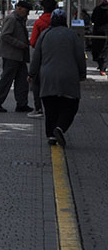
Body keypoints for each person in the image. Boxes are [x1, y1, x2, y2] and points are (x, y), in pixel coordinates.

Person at [29, 9, 86, 147]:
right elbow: (80, 56)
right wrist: (82, 74)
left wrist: (32, 74)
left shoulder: (44, 35)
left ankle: (51, 135)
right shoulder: (73, 35)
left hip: (47, 76)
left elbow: (36, 57)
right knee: (70, 105)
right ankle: (60, 128)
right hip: (69, 76)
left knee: (50, 107)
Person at [0, 0, 33, 113]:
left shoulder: (20, 19)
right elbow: (5, 35)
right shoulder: (12, 19)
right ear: (19, 8)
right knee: (6, 80)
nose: (27, 14)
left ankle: (22, 104)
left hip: (19, 56)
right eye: (26, 11)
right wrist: (20, 44)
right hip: (11, 55)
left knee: (22, 80)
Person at [27, 0, 57, 118]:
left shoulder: (39, 23)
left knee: (37, 82)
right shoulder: (58, 21)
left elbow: (33, 42)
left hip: (42, 56)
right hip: (57, 56)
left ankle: (38, 108)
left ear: (43, 7)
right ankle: (54, 108)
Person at [90, 0, 108, 76]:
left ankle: (100, 65)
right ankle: (103, 68)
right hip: (106, 32)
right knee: (105, 50)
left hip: (97, 31)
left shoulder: (97, 9)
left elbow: (92, 19)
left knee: (98, 49)